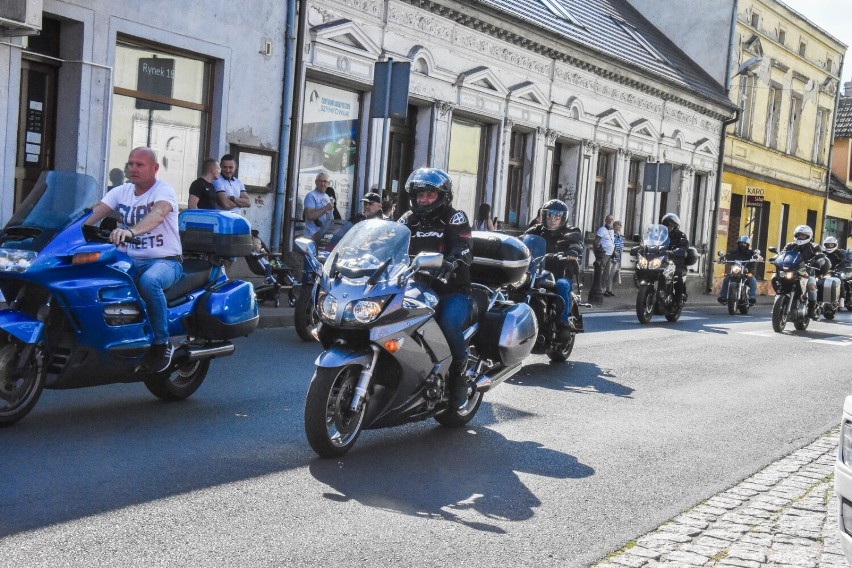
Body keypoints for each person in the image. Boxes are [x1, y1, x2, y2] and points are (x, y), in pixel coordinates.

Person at [84, 147, 183, 373]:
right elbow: (96, 211)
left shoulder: (163, 191)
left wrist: (131, 232)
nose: (133, 169)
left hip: (165, 261)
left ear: (155, 168)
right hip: (129, 261)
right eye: (130, 164)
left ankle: (161, 342)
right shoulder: (121, 191)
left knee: (149, 282)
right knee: (96, 280)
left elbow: (158, 214)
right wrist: (64, 230)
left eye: (140, 164)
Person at [398, 168, 473, 409]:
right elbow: (388, 241)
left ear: (443, 195)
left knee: (447, 324)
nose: (424, 200)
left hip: (451, 289)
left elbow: (463, 245)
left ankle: (460, 375)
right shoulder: (408, 219)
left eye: (430, 195)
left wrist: (451, 260)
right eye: (420, 195)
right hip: (415, 286)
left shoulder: (454, 217)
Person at [523, 199, 584, 335]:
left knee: (561, 285)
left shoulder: (571, 231)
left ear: (563, 217)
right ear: (544, 216)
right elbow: (522, 239)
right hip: (537, 272)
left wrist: (572, 252)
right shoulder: (536, 230)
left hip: (560, 273)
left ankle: (563, 323)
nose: (553, 219)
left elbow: (577, 243)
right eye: (549, 215)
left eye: (557, 215)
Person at [781, 225, 830, 319]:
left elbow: (820, 256)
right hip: (792, 271)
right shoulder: (791, 245)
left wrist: (818, 261)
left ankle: (811, 310)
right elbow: (782, 254)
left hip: (807, 272)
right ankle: (781, 299)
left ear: (809, 236)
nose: (800, 237)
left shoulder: (814, 247)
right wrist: (776, 258)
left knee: (811, 287)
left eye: (803, 235)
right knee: (777, 278)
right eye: (799, 235)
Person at [717, 235, 760, 305]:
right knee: (726, 279)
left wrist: (758, 258)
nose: (742, 245)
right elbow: (727, 256)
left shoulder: (751, 253)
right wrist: (721, 259)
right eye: (741, 243)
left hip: (746, 273)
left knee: (753, 280)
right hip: (735, 272)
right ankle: (723, 296)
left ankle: (752, 297)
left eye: (744, 243)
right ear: (738, 244)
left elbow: (758, 257)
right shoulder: (734, 252)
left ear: (747, 245)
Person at [660, 212, 690, 305]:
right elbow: (651, 242)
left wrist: (679, 250)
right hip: (662, 261)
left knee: (677, 274)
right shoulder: (660, 235)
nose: (668, 228)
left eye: (670, 226)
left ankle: (678, 299)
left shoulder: (681, 236)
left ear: (675, 226)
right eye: (666, 226)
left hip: (676, 262)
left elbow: (684, 246)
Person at [303, 171, 336, 239]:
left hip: (323, 236)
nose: (322, 184)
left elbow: (329, 218)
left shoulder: (327, 197)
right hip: (311, 236)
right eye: (320, 181)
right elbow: (310, 216)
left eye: (325, 181)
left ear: (328, 183)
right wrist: (326, 208)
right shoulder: (311, 196)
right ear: (316, 182)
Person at [594, 214, 616, 291]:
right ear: (605, 220)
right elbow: (596, 241)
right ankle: (598, 288)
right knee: (600, 271)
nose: (610, 221)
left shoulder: (612, 231)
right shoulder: (602, 230)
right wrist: (596, 253)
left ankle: (602, 289)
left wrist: (613, 251)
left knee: (606, 273)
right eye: (609, 219)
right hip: (603, 254)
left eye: (612, 219)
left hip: (610, 254)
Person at [605, 220, 624, 297]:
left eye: (619, 227)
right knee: (608, 274)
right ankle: (606, 290)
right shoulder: (611, 235)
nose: (618, 228)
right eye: (617, 227)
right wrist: (613, 252)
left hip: (617, 259)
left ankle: (610, 290)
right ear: (614, 227)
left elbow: (621, 246)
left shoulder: (620, 236)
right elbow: (609, 245)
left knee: (613, 275)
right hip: (611, 257)